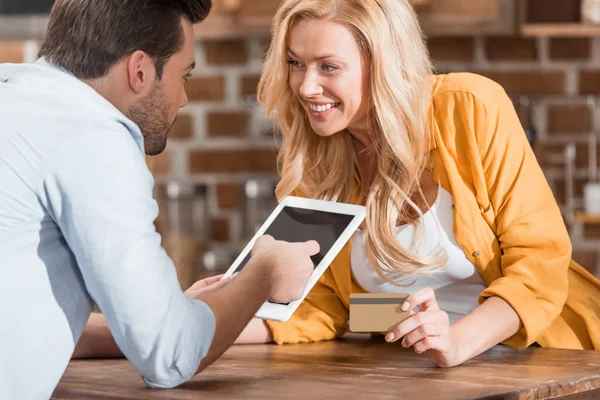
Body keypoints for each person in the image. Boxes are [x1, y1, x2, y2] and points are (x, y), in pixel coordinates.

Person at [233, 0, 600, 365]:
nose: (306, 86)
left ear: (384, 65)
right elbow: (328, 307)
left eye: (328, 67)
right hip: (421, 376)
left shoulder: (469, 108)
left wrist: (455, 342)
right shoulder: (317, 159)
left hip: (554, 361)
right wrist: (213, 313)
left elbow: (541, 264)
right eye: (296, 64)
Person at [0, 0, 320, 398]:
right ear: (140, 70)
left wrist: (171, 313)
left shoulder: (13, 93)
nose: (183, 98)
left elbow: (25, 321)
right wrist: (264, 274)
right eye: (183, 76)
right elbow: (169, 356)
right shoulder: (92, 135)